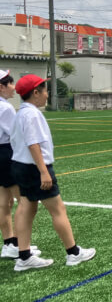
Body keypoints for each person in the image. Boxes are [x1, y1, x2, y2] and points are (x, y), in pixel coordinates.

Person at [11, 74, 95, 271]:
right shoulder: (32, 114)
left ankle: (23, 256)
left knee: (26, 207)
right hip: (34, 167)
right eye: (45, 90)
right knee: (57, 209)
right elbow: (33, 144)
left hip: (20, 166)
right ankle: (73, 253)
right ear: (35, 92)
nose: (47, 95)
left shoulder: (21, 112)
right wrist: (43, 171)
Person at [0, 70, 40, 260]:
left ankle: (9, 243)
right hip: (6, 152)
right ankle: (23, 247)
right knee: (22, 200)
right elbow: (14, 134)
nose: (13, 88)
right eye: (10, 84)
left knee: (3, 202)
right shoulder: (6, 108)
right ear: (1, 87)